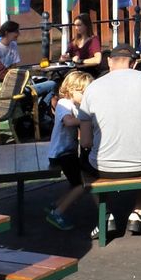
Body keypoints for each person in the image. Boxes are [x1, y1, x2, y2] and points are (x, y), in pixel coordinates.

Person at [77, 44, 141, 238]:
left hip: (102, 166)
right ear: (134, 63)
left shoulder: (92, 88)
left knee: (82, 161)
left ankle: (107, 215)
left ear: (109, 62)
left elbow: (85, 141)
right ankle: (137, 213)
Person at [45, 70, 94, 230]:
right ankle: (58, 212)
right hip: (62, 153)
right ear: (71, 90)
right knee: (83, 184)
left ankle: (55, 205)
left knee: (75, 183)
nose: (86, 96)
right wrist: (86, 118)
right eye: (83, 93)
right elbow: (68, 122)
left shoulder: (74, 104)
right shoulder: (64, 104)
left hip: (67, 151)